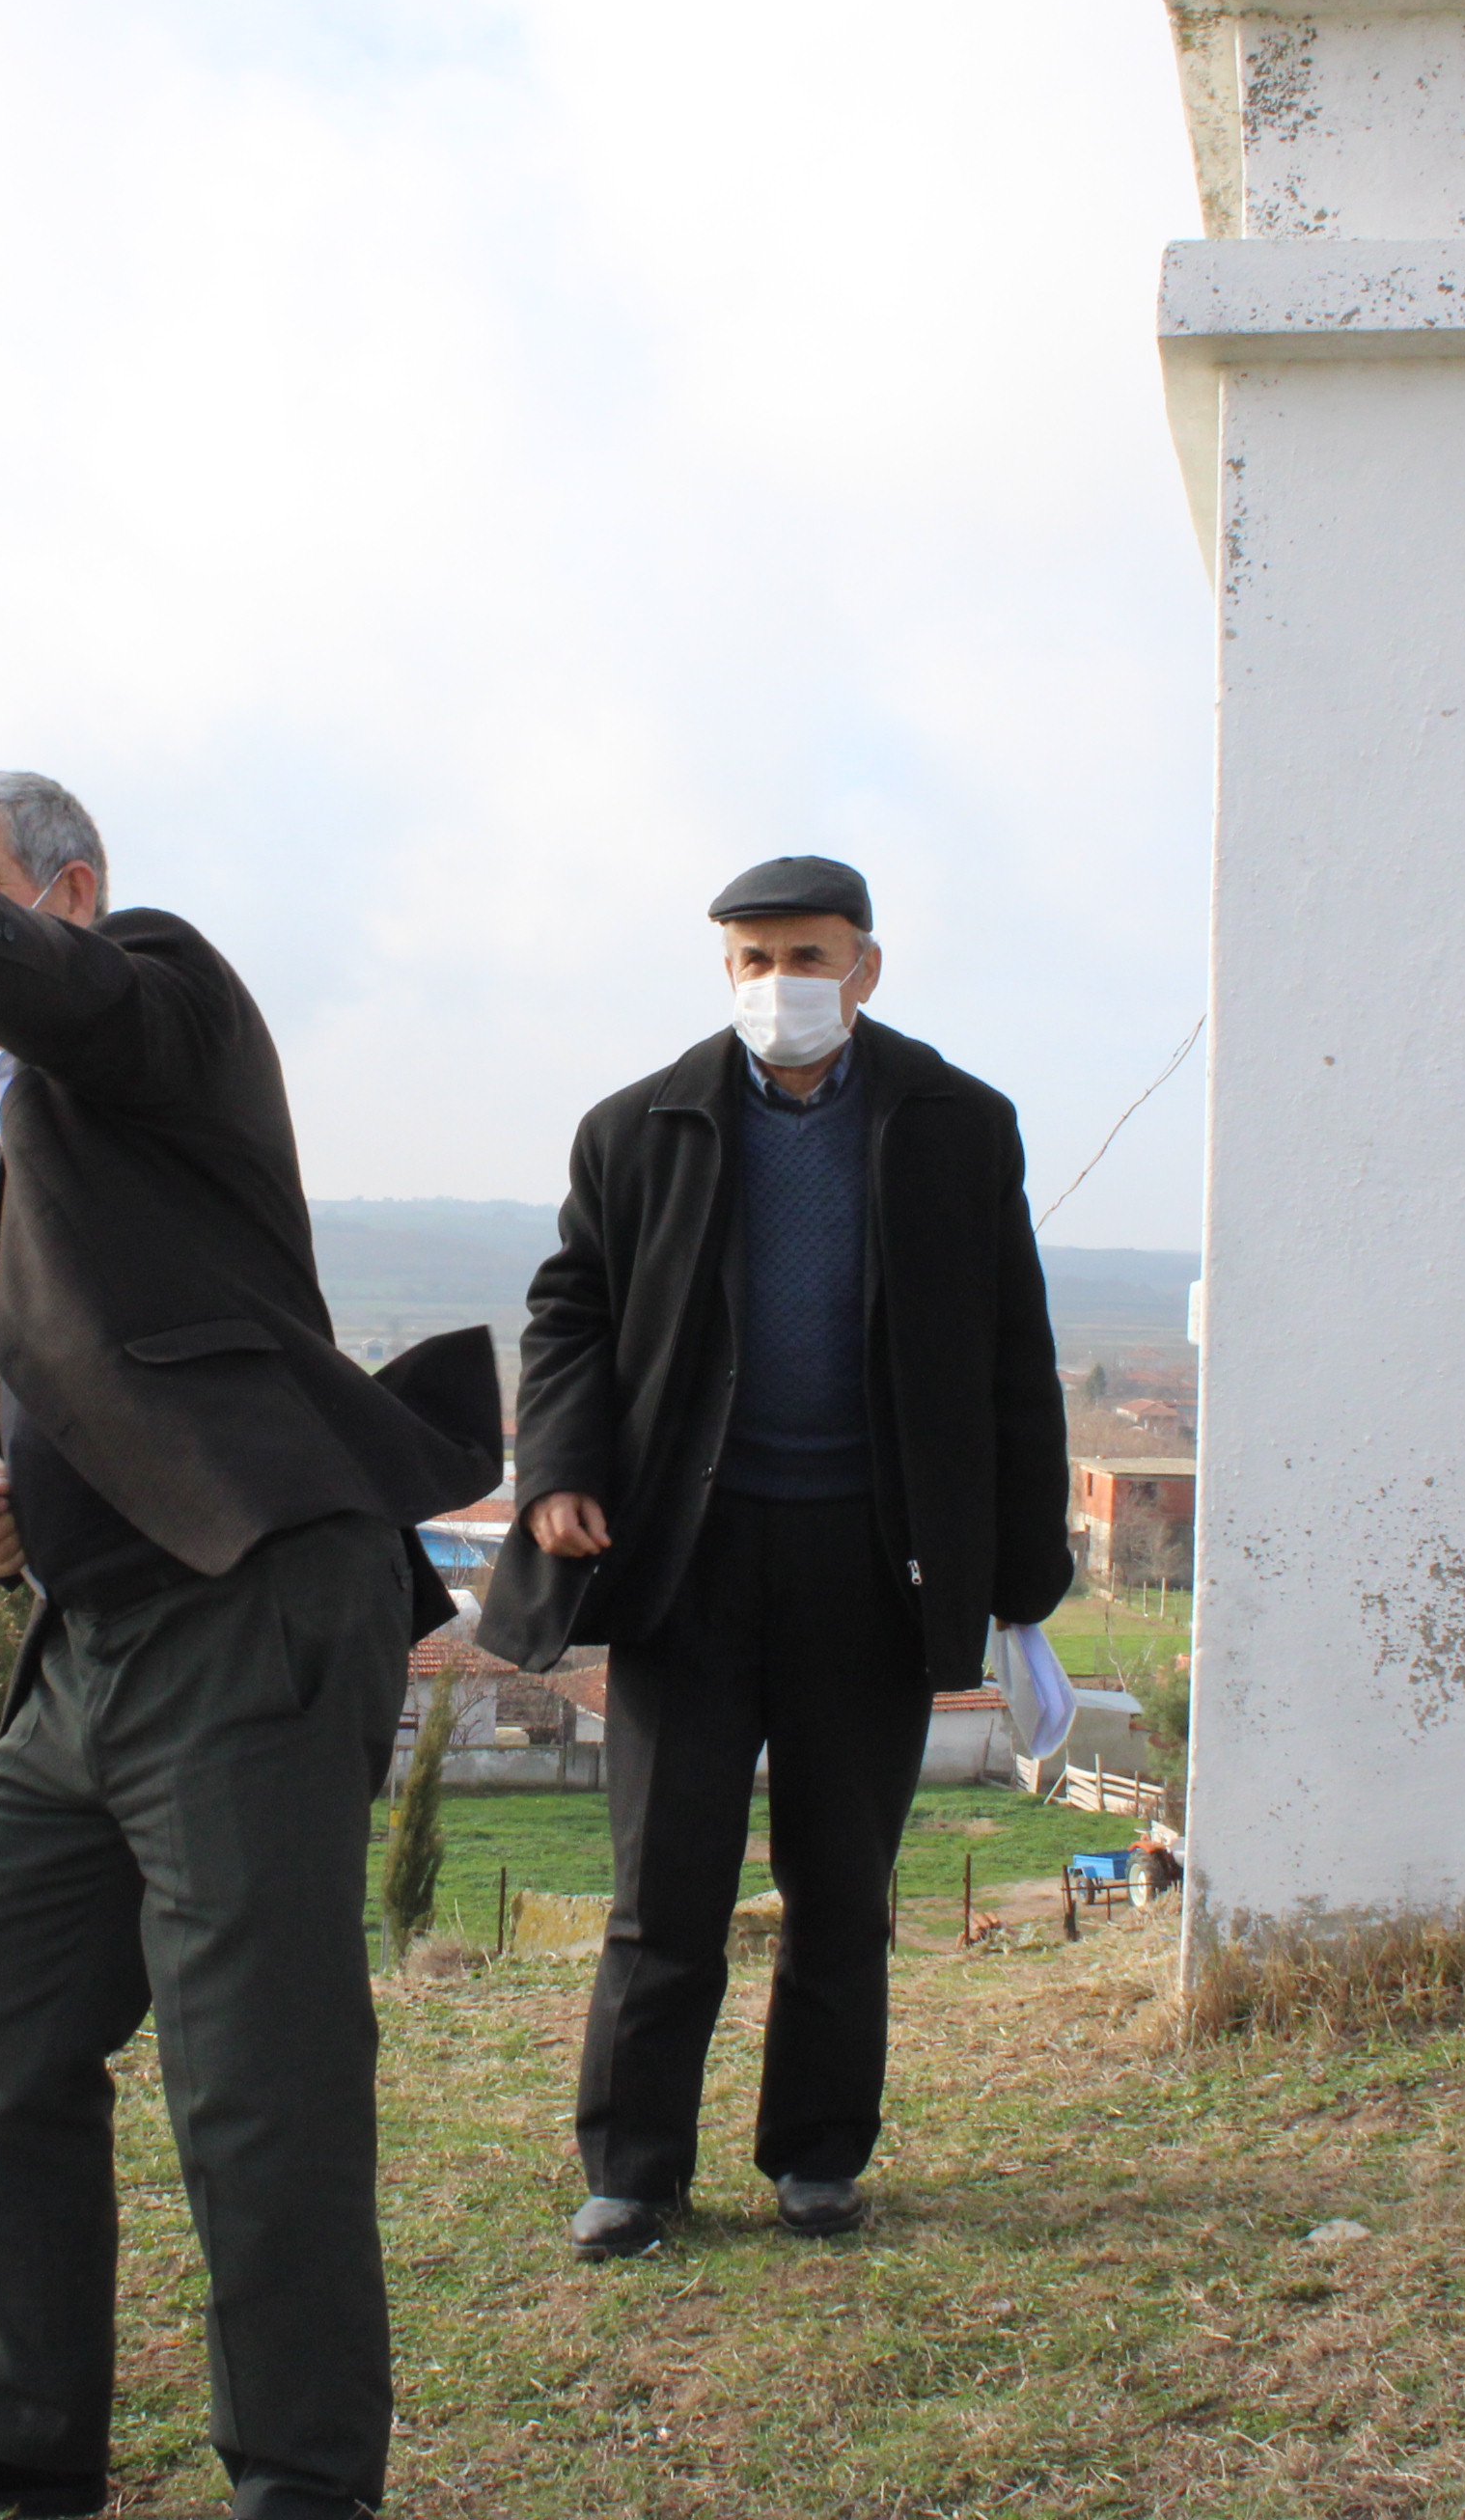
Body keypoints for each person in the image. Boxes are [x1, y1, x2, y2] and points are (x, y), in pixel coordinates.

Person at [0, 774, 498, 2520]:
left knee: (259, 2087)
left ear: (68, 892)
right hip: (90, 1649)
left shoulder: (167, 998)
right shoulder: (44, 1130)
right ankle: (23, 2429)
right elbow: (127, 1366)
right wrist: (20, 1509)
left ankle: (301, 2485)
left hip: (247, 1621)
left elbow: (66, 990)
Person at [479, 855, 1074, 2260]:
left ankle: (818, 2157)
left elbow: (1013, 1355)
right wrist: (558, 1466)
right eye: (750, 960)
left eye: (804, 957)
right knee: (663, 1886)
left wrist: (1021, 1582)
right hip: (689, 1559)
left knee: (841, 1886)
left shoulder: (958, 1126)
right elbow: (570, 1312)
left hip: (875, 1565)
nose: (777, 986)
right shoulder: (639, 1129)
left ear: (864, 968)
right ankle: (632, 2172)